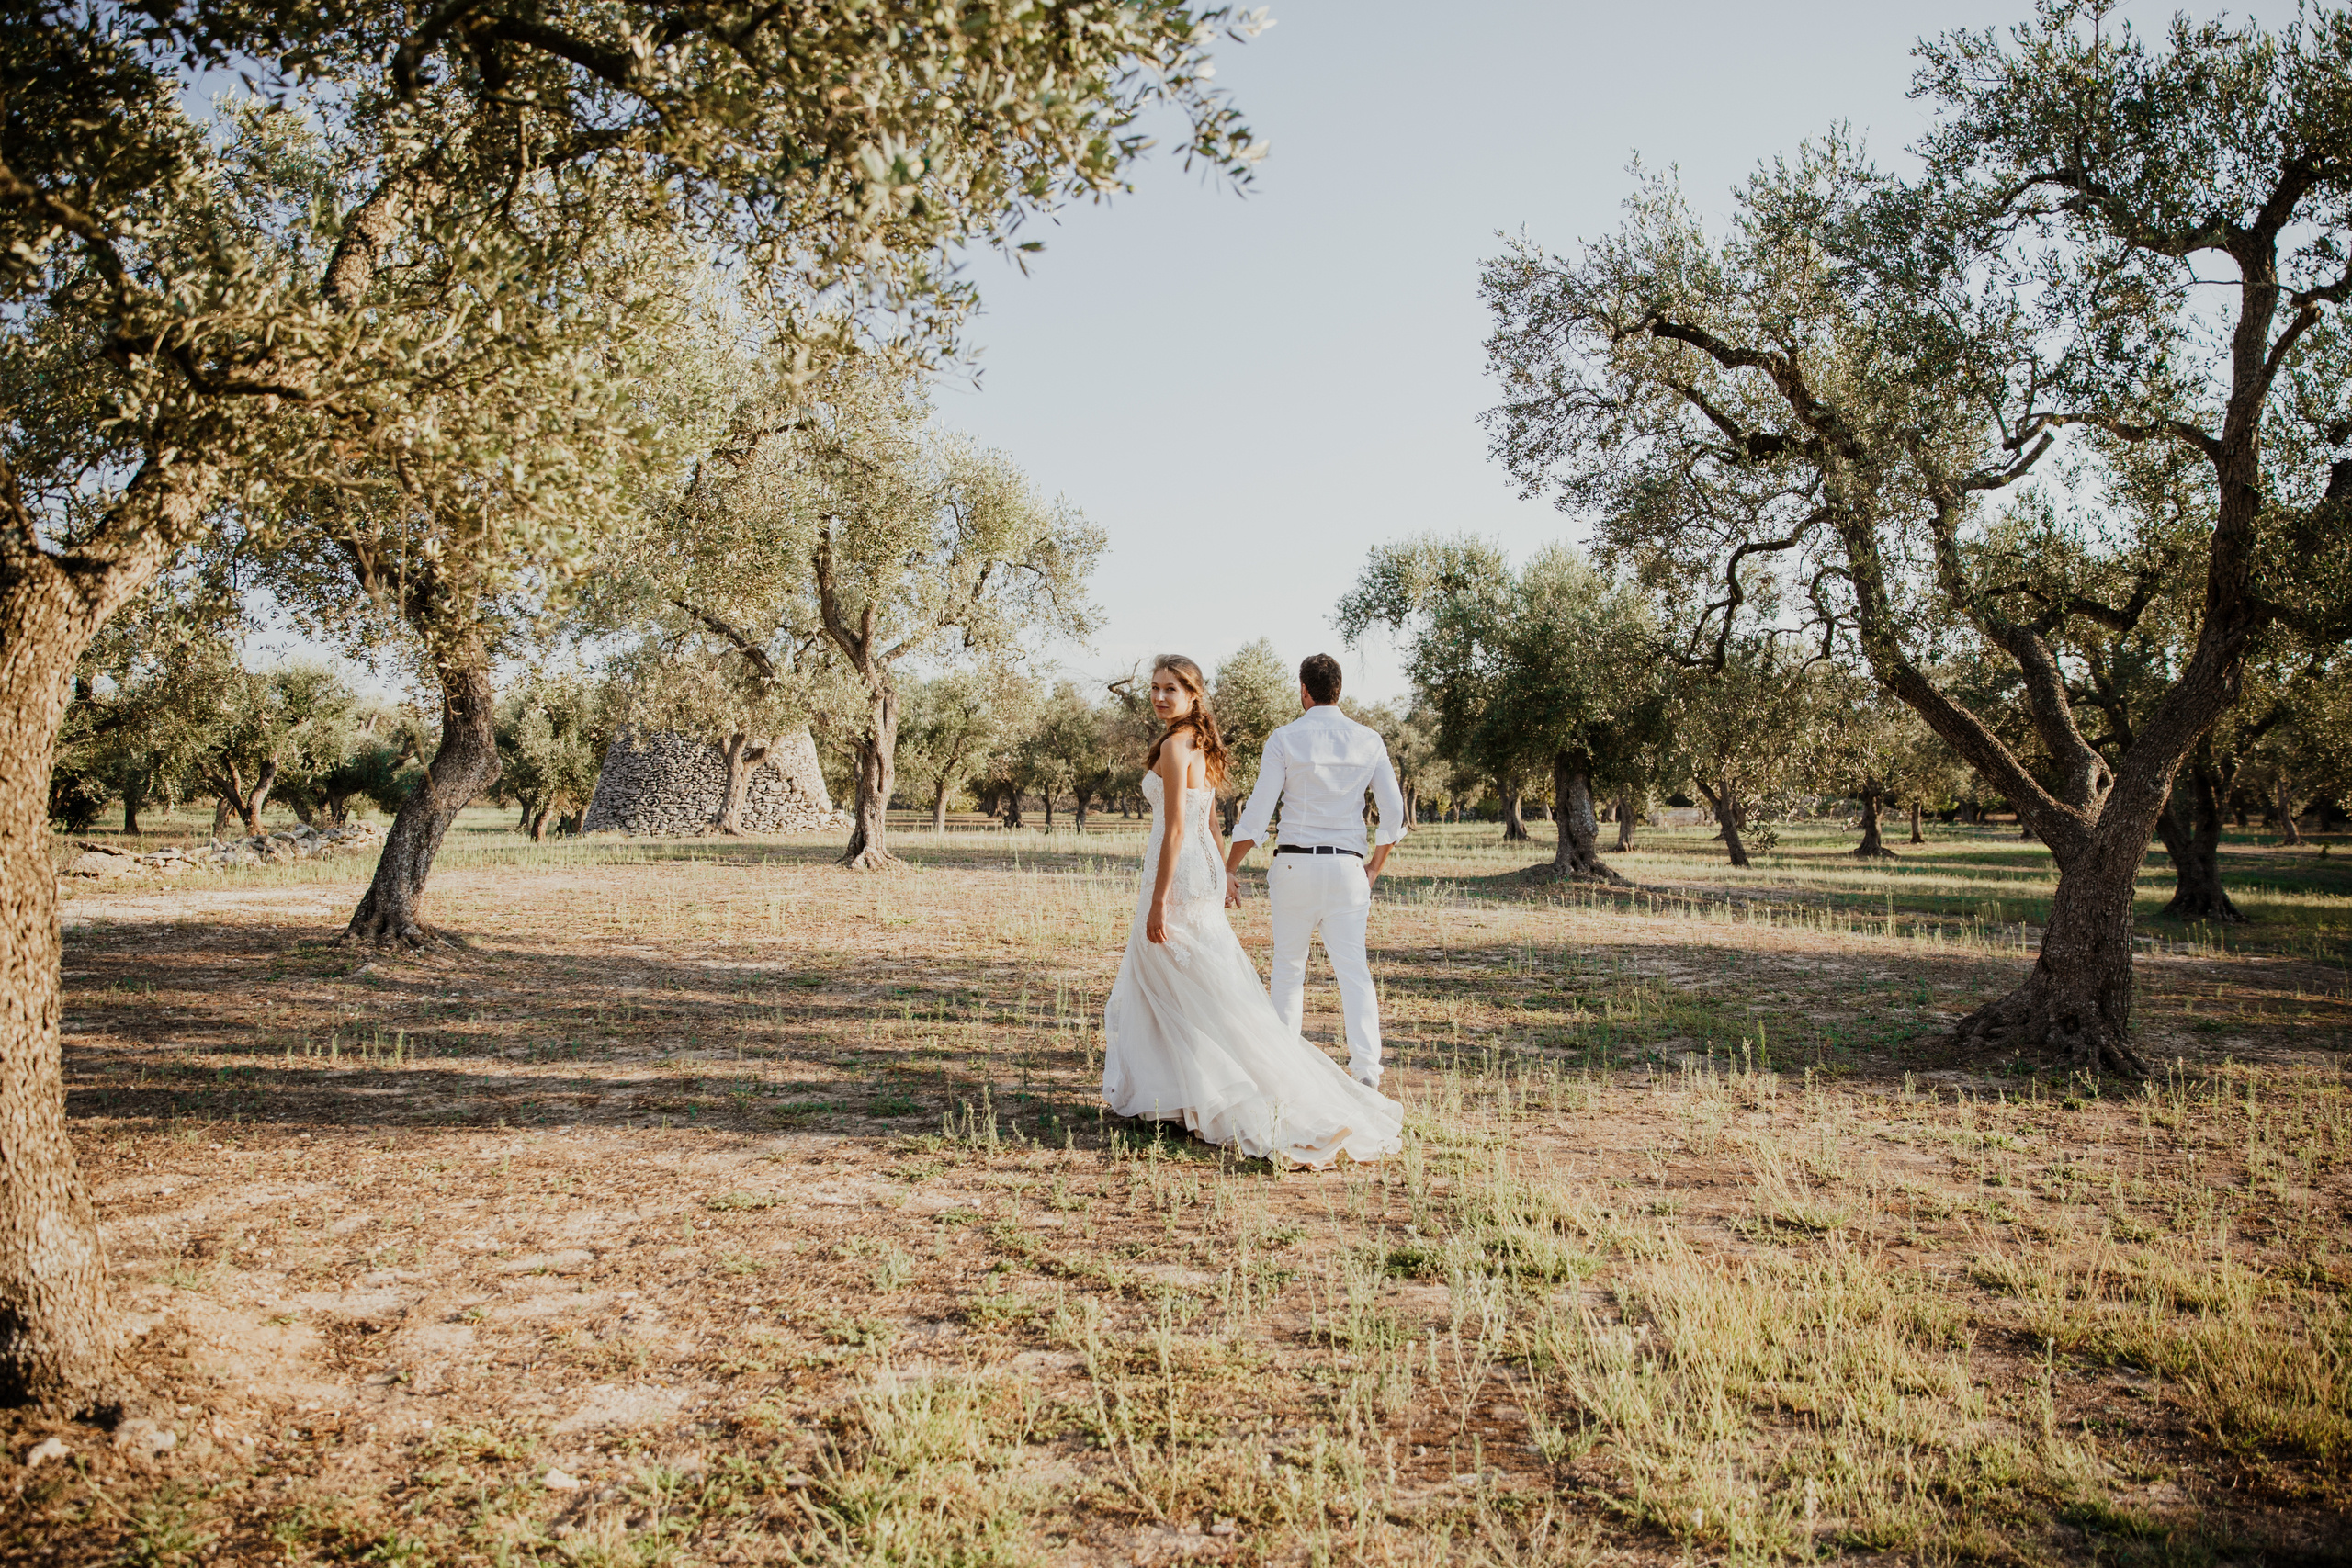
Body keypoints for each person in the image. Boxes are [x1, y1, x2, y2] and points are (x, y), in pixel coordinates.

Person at [1100, 654, 1402, 1167]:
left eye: (1169, 688)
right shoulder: (1205, 742)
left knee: (1260, 976)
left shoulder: (1202, 743)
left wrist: (1179, 888)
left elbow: (1202, 823)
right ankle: (1358, 1069)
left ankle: (1222, 1083)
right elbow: (1213, 820)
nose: (1158, 696)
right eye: (1154, 688)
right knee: (1339, 973)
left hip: (1222, 871)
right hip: (1322, 869)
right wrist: (1225, 871)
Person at [1224, 653, 1403, 1089]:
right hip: (1347, 868)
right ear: (1338, 690)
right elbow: (1394, 814)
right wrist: (1373, 869)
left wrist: (1228, 867)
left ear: (1304, 690)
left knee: (1288, 969)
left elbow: (1259, 813)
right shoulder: (1368, 740)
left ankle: (1284, 1071)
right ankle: (1366, 1071)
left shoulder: (1284, 739)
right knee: (1353, 971)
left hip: (1295, 863)